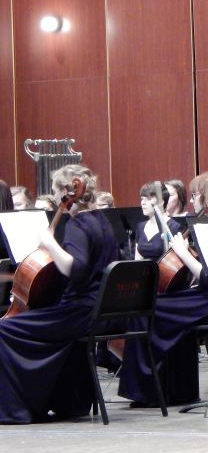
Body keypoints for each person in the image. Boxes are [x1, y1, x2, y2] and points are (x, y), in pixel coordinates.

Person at [0, 165, 120, 423]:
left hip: (81, 314)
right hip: (103, 311)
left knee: (5, 329)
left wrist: (50, 243)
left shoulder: (77, 225)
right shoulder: (102, 221)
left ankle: (19, 408)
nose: (55, 197)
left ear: (67, 191)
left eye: (55, 191)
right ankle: (68, 401)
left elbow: (75, 269)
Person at [117, 171, 208, 406]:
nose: (193, 200)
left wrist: (183, 252)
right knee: (165, 305)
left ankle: (150, 391)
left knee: (147, 309)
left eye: (195, 194)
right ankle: (178, 389)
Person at [134, 182, 181, 261]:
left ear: (161, 201)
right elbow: (137, 261)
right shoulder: (140, 226)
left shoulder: (174, 227)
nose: (143, 203)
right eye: (142, 199)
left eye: (148, 199)